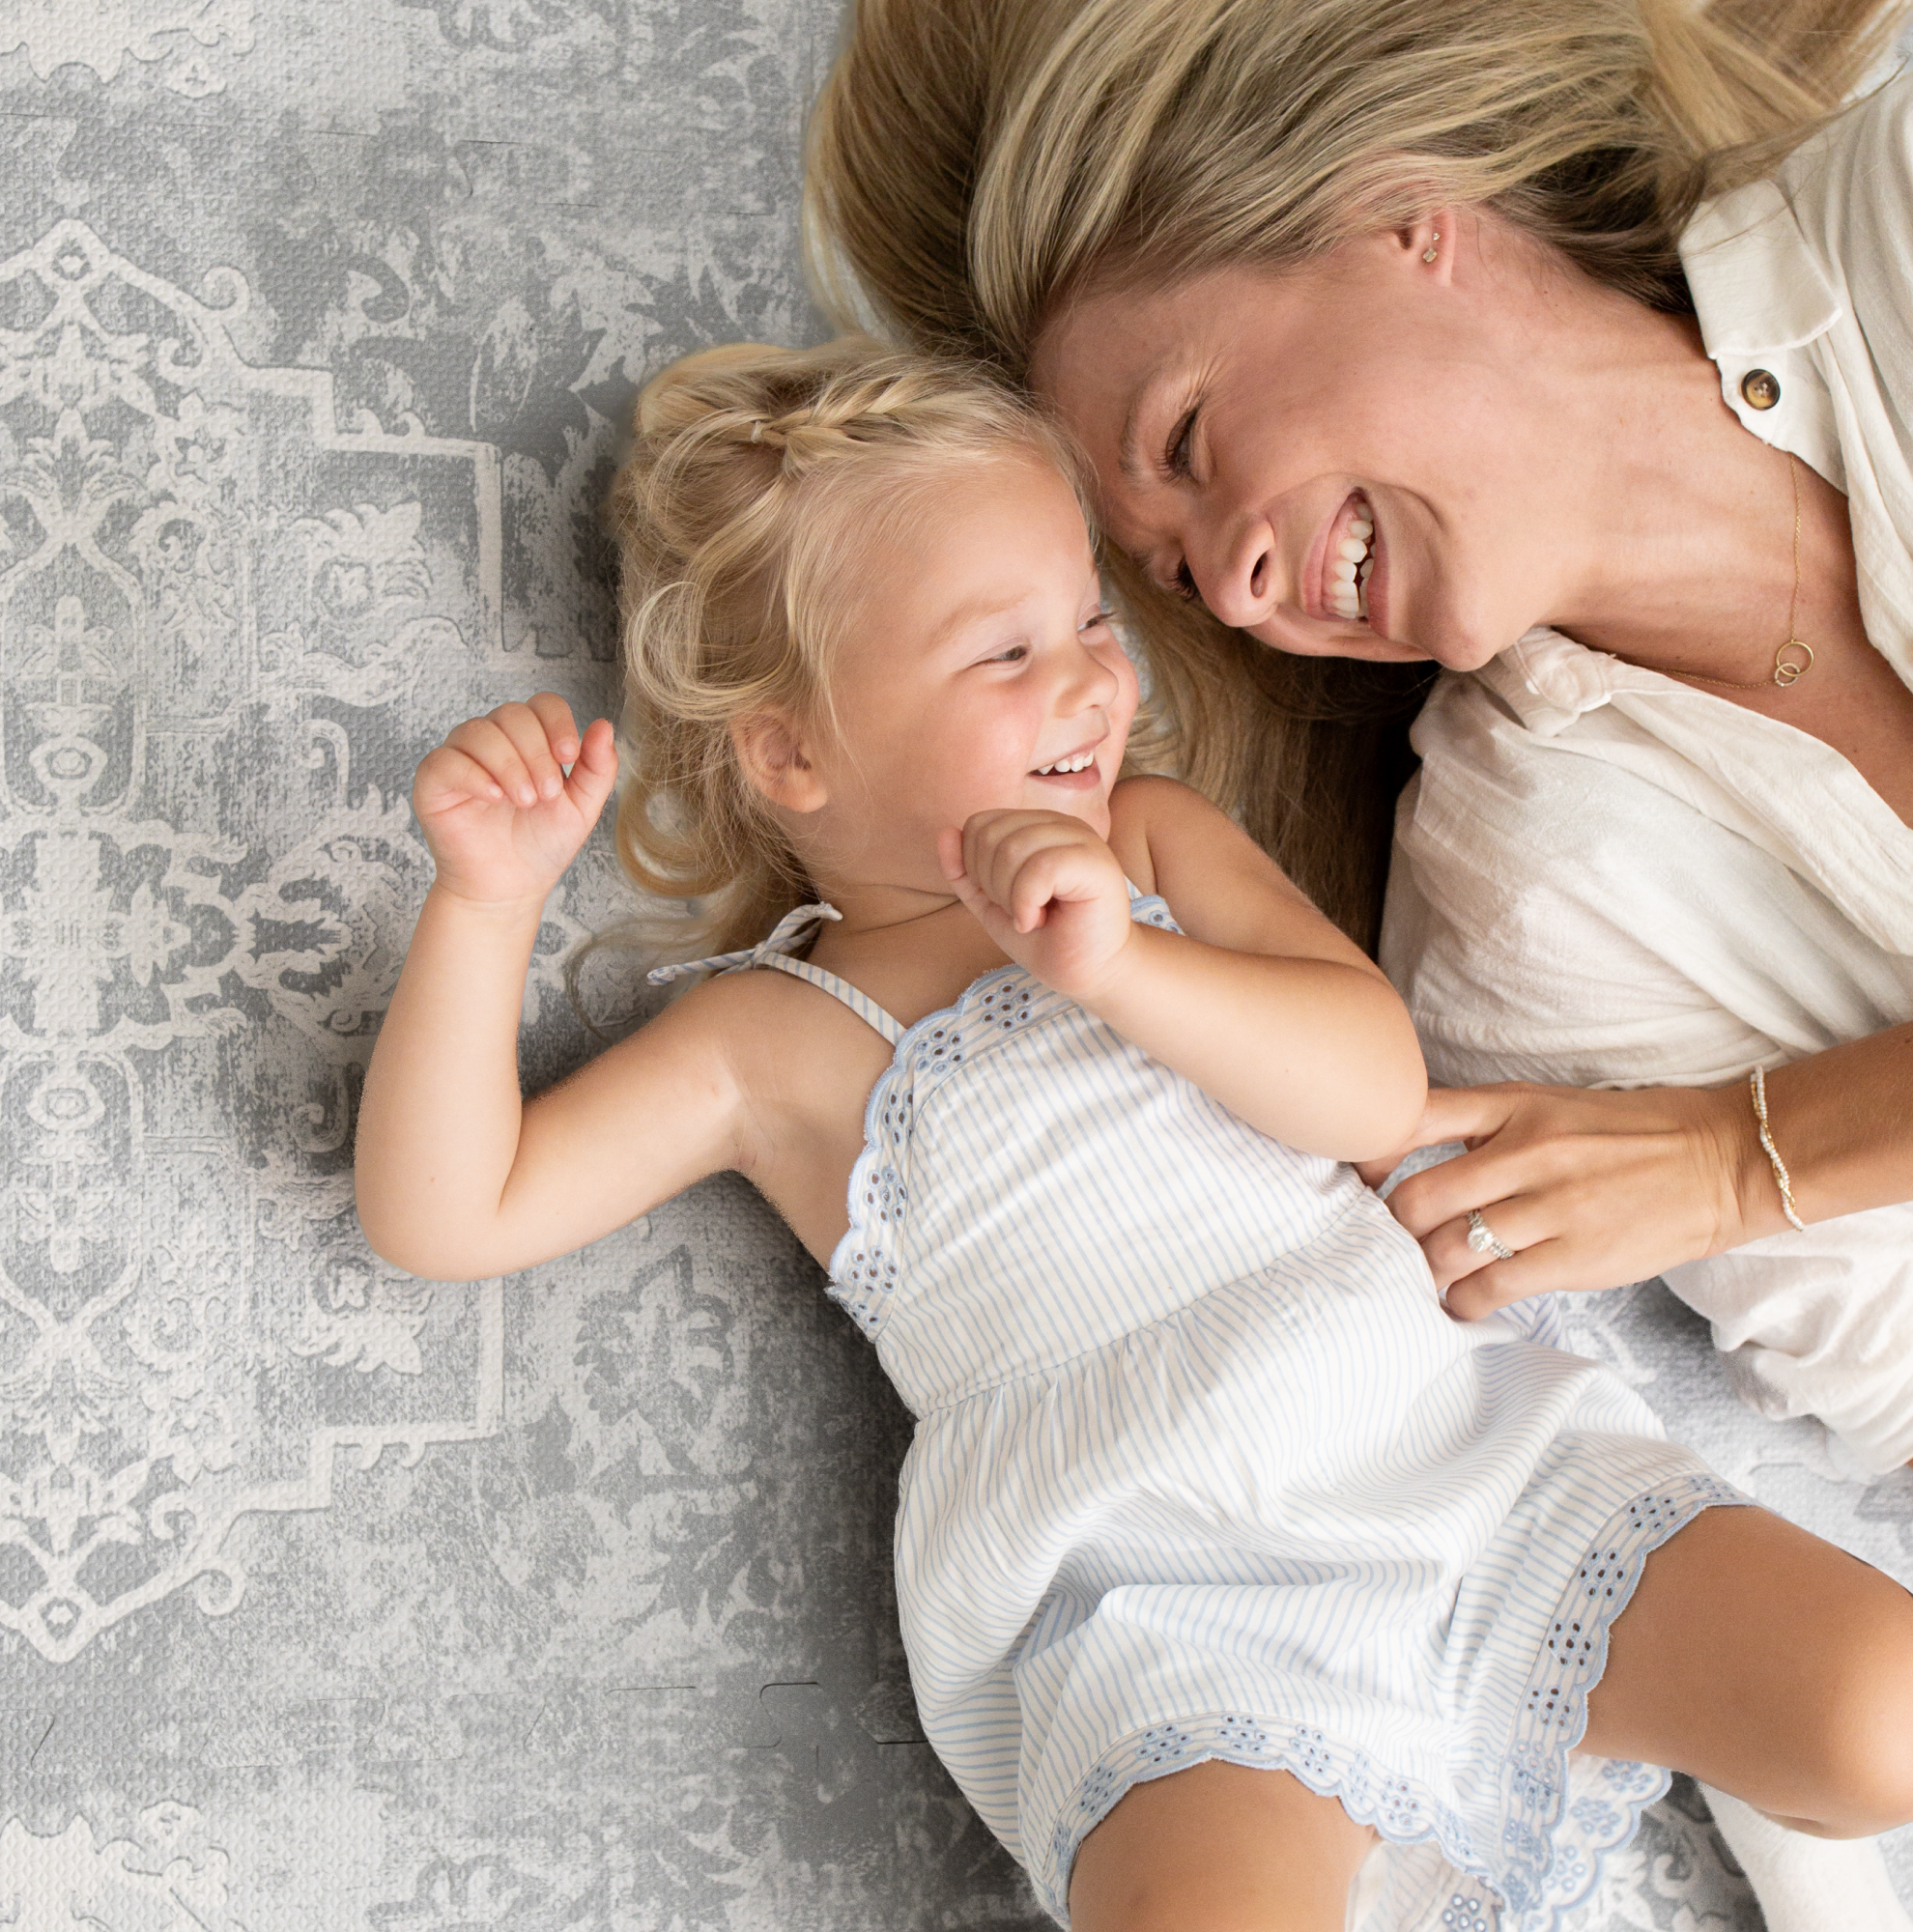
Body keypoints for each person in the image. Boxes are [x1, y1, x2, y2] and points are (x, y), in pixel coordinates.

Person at [352, 337, 1913, 1932]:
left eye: (1092, 616)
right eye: (1006, 652)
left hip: (1445, 1451)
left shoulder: (1156, 845)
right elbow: (448, 1214)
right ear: (792, 753)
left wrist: (1123, 966)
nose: (1094, 680)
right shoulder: (772, 1041)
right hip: (1162, 1590)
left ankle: (1747, 1774)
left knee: (1882, 1717)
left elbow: (1374, 1094)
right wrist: (485, 903)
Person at [806, 0, 1913, 1479]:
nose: (1237, 594)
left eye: (1187, 441)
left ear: (1395, 213)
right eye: (1177, 576)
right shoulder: (1525, 902)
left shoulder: (1892, 218)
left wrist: (1743, 1154)